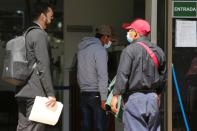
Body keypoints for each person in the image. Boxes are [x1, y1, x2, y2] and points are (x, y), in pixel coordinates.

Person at [110, 18, 166, 131]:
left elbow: (123, 74)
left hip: (134, 100)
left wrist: (115, 96)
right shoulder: (158, 51)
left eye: (130, 30)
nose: (128, 33)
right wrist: (158, 94)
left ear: (136, 33)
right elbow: (163, 76)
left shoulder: (129, 50)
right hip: (152, 99)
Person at [15, 2, 56, 131]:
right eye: (51, 15)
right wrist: (50, 93)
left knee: (23, 127)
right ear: (43, 16)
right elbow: (43, 65)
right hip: (36, 92)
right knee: (34, 128)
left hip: (22, 89)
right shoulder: (39, 34)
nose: (52, 18)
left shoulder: (26, 33)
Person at [77, 25, 113, 131]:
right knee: (100, 127)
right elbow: (102, 75)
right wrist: (104, 98)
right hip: (97, 95)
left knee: (86, 127)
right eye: (109, 38)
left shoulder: (82, 50)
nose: (109, 41)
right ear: (105, 37)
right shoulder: (100, 50)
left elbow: (79, 74)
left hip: (84, 95)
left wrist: (82, 89)